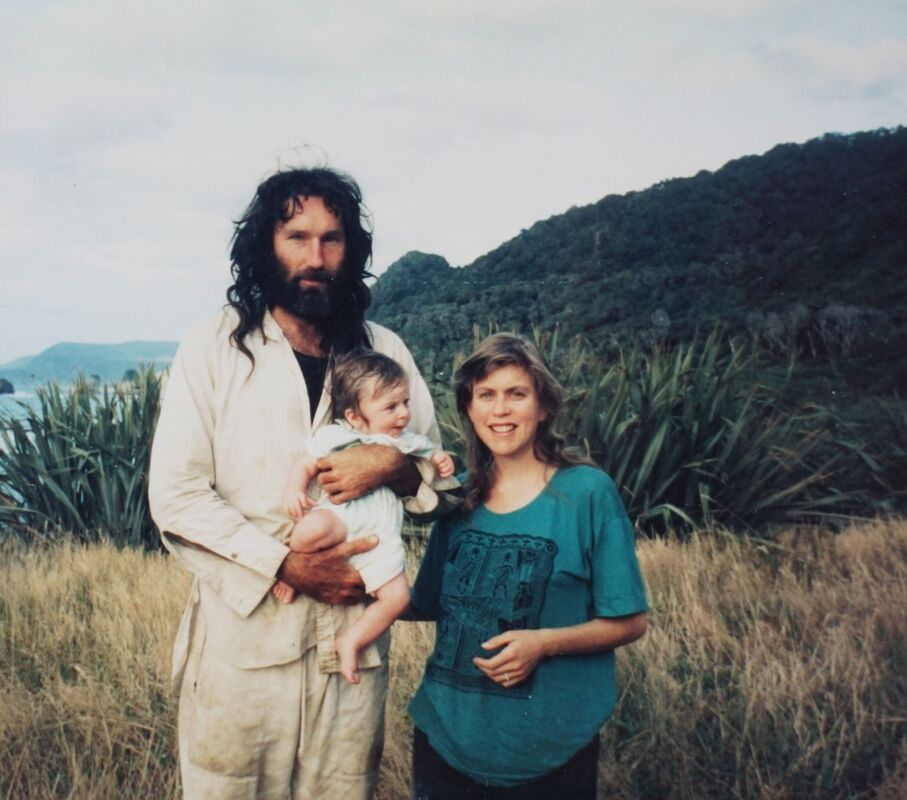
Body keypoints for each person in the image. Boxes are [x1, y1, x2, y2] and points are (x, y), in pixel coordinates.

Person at [148, 166, 458, 799]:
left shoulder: (386, 351)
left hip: (353, 647)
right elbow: (175, 496)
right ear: (266, 245)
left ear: (352, 250)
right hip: (244, 646)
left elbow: (438, 479)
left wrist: (396, 466)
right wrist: (285, 565)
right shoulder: (212, 349)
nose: (315, 257)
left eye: (332, 239)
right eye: (297, 237)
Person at [407, 333, 648, 800]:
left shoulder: (587, 494)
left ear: (543, 408)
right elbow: (423, 603)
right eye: (486, 396)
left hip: (548, 749)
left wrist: (544, 644)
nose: (500, 410)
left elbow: (630, 621)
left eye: (516, 394)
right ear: (470, 409)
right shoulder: (457, 497)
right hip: (445, 741)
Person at [272, 349, 455, 684]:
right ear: (355, 417)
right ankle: (290, 573)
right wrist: (294, 491)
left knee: (398, 598)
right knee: (309, 531)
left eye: (404, 403)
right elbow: (307, 463)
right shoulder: (340, 436)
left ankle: (352, 640)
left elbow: (434, 459)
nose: (403, 414)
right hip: (341, 517)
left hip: (381, 536)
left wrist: (441, 462)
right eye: (390, 407)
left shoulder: (407, 442)